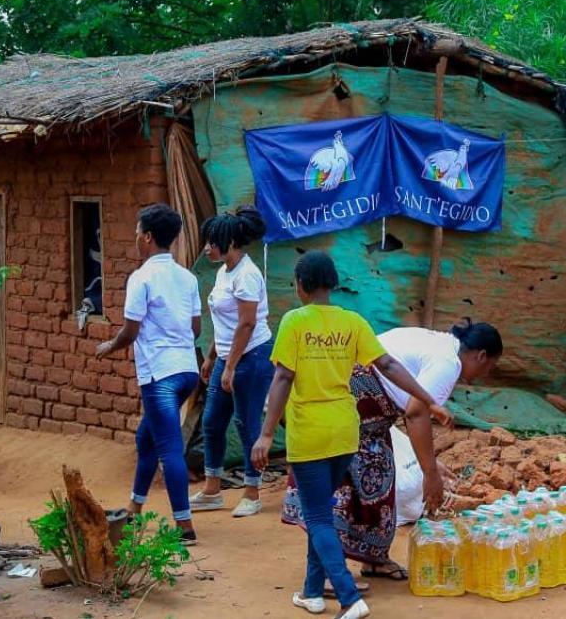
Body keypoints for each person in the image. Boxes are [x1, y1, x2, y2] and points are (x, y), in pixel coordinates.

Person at [251, 251, 452, 619]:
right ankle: (312, 592)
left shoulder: (295, 321)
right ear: (332, 284)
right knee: (321, 511)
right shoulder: (353, 321)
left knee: (317, 517)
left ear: (300, 286)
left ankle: (348, 597)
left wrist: (266, 435)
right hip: (346, 433)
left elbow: (283, 377)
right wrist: (429, 400)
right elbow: (389, 365)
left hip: (310, 434)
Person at [282, 320, 503, 583]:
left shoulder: (439, 343)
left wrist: (429, 463)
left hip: (361, 403)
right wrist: (430, 474)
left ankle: (374, 558)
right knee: (343, 483)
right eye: (489, 366)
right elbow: (415, 412)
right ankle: (330, 572)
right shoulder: (448, 363)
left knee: (381, 469)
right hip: (356, 406)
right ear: (480, 356)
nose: (486, 373)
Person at [96, 204, 202, 545]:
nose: (136, 239)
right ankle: (134, 507)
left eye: (138, 234)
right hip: (187, 371)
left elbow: (130, 330)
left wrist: (109, 346)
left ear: (149, 237)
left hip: (160, 376)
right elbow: (196, 327)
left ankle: (185, 527)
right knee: (147, 440)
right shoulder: (187, 277)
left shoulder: (140, 278)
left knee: (169, 448)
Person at [191, 207, 274, 518]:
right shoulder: (224, 271)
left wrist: (230, 366)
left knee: (246, 422)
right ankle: (213, 488)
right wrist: (213, 356)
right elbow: (225, 323)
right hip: (229, 356)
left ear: (230, 242)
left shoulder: (247, 275)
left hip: (251, 358)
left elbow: (247, 324)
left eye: (212, 242)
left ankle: (252, 492)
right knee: (212, 421)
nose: (207, 248)